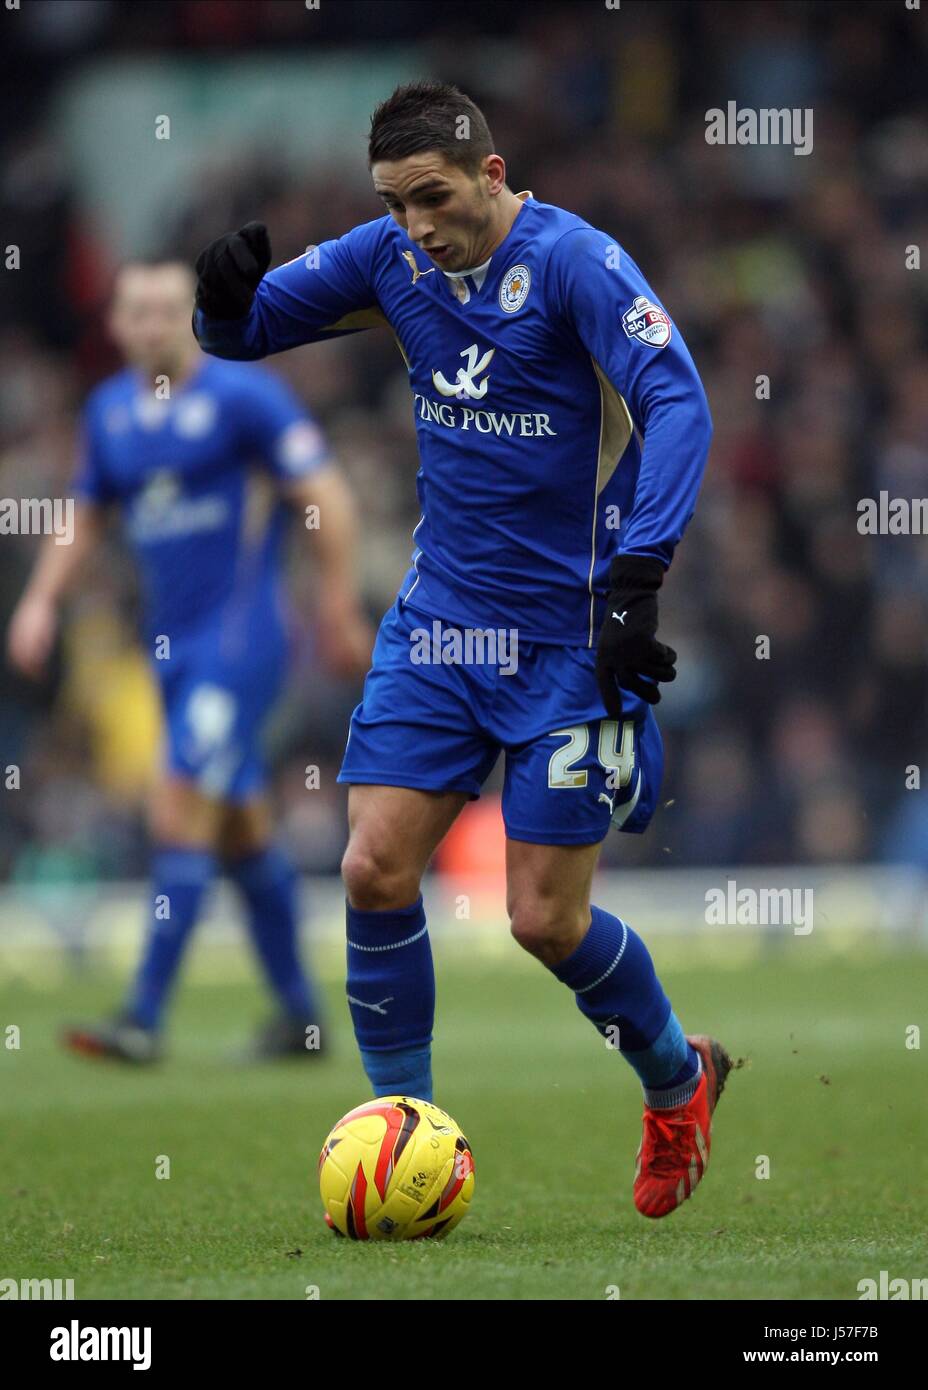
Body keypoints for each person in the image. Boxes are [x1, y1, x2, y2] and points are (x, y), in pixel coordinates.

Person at [192, 81, 726, 1219]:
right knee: (372, 867)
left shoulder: (577, 262)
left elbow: (677, 402)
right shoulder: (391, 260)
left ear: (489, 175)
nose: (416, 226)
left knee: (543, 919)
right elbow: (245, 331)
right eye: (393, 205)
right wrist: (218, 302)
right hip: (438, 625)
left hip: (570, 644)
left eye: (431, 198)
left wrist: (639, 579)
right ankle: (405, 1138)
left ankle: (680, 1079)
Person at [8, 259, 372, 1063]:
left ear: (190, 318)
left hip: (242, 642)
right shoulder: (109, 414)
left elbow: (327, 496)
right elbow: (86, 515)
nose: (154, 325)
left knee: (176, 807)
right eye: (138, 311)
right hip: (171, 652)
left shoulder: (243, 398)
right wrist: (40, 601)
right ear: (116, 324)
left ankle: (142, 1015)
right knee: (238, 829)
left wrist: (339, 604)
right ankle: (300, 1020)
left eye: (170, 310)